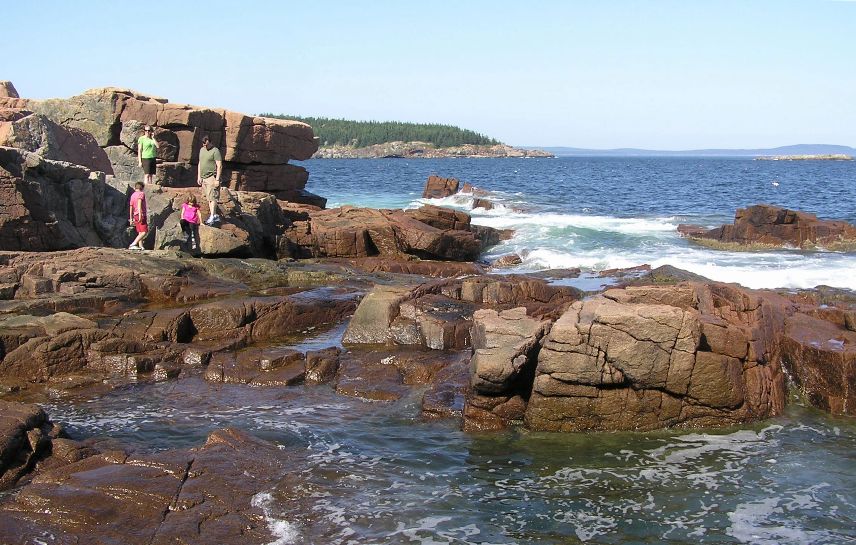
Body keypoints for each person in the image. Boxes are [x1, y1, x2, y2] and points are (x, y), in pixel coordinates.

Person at [197, 135, 222, 225]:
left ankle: (213, 215)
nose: (204, 145)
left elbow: (219, 165)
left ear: (210, 142)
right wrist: (199, 176)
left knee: (213, 197)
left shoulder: (215, 151)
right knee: (209, 198)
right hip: (204, 178)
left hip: (212, 177)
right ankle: (213, 216)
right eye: (203, 144)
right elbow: (200, 163)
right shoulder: (202, 150)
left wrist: (217, 179)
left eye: (206, 144)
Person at [128, 181, 148, 250]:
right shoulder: (141, 194)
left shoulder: (133, 195)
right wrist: (140, 215)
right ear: (142, 188)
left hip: (135, 215)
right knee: (144, 231)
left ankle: (141, 246)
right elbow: (139, 204)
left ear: (135, 187)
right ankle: (133, 244)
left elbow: (131, 207)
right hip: (141, 214)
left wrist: (131, 218)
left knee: (140, 231)